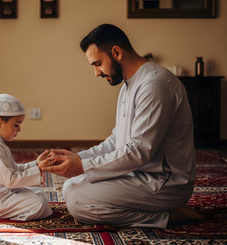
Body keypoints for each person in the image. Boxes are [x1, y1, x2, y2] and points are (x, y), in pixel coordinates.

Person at [43, 24, 203, 228]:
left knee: (77, 201)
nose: (96, 72)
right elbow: (116, 140)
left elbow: (138, 151)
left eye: (98, 63)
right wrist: (77, 159)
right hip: (139, 174)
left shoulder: (155, 84)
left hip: (165, 183)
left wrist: (82, 167)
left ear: (117, 52)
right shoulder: (129, 85)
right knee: (70, 187)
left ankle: (166, 217)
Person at [0, 93, 53, 221]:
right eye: (16, 125)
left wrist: (36, 164)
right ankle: (13, 216)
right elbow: (11, 180)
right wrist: (39, 170)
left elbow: (13, 169)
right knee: (38, 203)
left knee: (39, 194)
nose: (19, 129)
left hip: (2, 194)